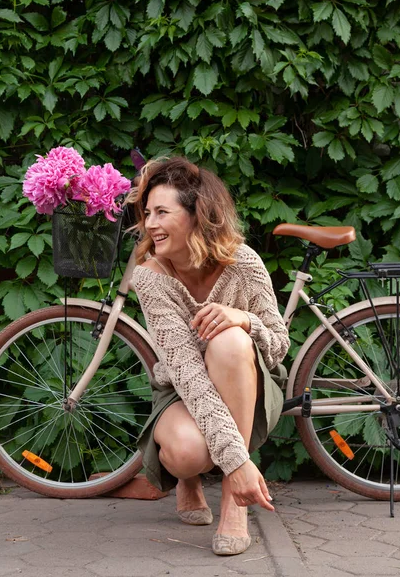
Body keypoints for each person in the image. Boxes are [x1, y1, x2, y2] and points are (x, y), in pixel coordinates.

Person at [127, 157, 290, 556]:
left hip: (245, 382)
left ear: (197, 215)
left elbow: (280, 344)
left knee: (230, 339)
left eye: (162, 212)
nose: (150, 224)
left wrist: (245, 320)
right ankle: (190, 480)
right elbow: (189, 377)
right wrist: (238, 464)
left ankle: (234, 506)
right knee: (185, 455)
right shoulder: (150, 277)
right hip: (183, 390)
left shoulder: (244, 263)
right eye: (147, 213)